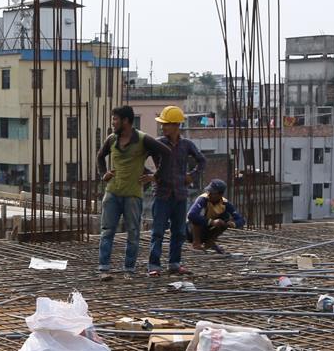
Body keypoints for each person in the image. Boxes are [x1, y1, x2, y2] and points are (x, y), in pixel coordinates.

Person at [96, 105, 171, 278]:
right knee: (107, 231)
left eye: (116, 119)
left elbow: (165, 153)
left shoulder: (143, 140)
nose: (113, 123)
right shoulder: (112, 140)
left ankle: (129, 269)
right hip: (112, 192)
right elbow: (100, 156)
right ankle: (103, 268)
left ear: (126, 121)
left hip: (132, 195)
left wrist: (155, 175)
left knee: (133, 233)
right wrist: (103, 174)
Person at [141, 105, 205, 277]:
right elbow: (139, 158)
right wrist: (150, 175)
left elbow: (201, 160)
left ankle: (174, 264)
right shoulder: (158, 144)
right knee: (158, 232)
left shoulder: (186, 145)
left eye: (166, 124)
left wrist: (193, 175)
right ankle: (154, 265)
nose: (163, 127)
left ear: (176, 125)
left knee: (179, 231)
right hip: (162, 194)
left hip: (180, 195)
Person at [188, 179, 246, 253]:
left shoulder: (225, 203)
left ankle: (209, 242)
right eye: (209, 191)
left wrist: (232, 224)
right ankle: (196, 244)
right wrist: (212, 222)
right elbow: (191, 215)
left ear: (220, 194)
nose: (209, 194)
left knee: (225, 219)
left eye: (212, 192)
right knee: (196, 218)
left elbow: (241, 220)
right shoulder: (203, 199)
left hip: (207, 231)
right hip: (190, 232)